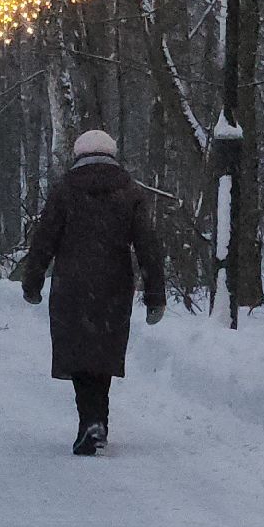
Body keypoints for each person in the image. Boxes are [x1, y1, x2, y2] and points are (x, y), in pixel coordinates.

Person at [22, 129, 166, 456]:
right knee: (102, 353)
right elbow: (148, 245)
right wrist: (155, 294)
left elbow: (44, 240)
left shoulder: (64, 192)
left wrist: (32, 281)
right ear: (111, 155)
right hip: (114, 285)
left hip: (71, 284)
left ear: (78, 155)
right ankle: (97, 420)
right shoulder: (129, 193)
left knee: (79, 354)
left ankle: (90, 421)